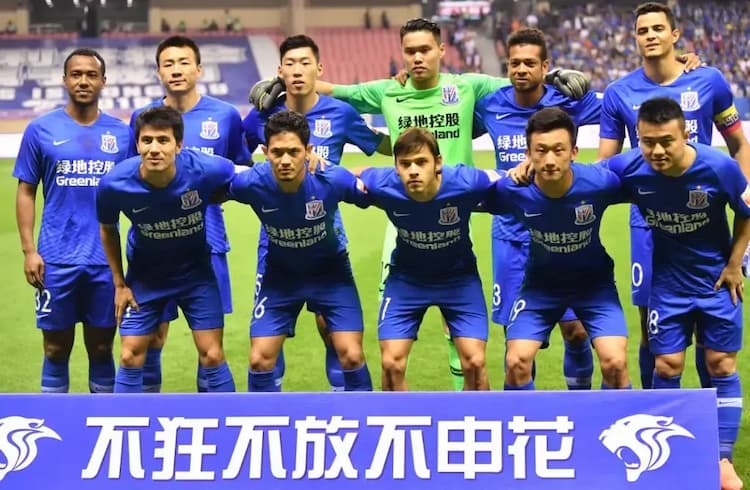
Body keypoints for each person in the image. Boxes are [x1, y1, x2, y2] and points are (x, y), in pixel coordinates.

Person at [249, 17, 590, 391]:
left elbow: (519, 81)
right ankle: (397, 406)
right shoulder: (388, 91)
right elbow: (340, 90)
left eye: (425, 49)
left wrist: (553, 75)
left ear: (442, 50)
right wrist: (281, 86)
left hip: (458, 204)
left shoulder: (467, 86)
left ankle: (466, 406)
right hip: (404, 215)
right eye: (410, 51)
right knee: (393, 338)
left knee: (461, 331)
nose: (417, 57)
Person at [597, 1, 750, 390]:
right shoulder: (618, 92)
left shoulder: (708, 80)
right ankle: (654, 408)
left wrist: (745, 196)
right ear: (634, 38)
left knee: (710, 331)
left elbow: (738, 144)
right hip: (648, 220)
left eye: (657, 28)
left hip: (703, 214)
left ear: (674, 34)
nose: (650, 36)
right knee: (654, 327)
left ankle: (708, 413)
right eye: (642, 30)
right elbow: (604, 166)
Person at [603, 97, 747, 490]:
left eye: (666, 141)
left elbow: (747, 210)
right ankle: (667, 458)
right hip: (667, 284)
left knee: (721, 365)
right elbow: (584, 178)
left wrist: (735, 264)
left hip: (716, 282)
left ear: (685, 134)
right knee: (666, 365)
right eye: (648, 142)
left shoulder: (717, 167)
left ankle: (722, 458)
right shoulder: (630, 167)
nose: (657, 151)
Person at [243, 35, 388, 391]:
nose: (297, 71)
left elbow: (382, 146)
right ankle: (268, 414)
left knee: (332, 331)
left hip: (325, 235)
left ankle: (344, 406)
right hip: (276, 241)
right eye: (290, 64)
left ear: (319, 69)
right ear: (279, 71)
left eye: (305, 63)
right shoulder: (262, 116)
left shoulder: (340, 114)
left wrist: (412, 121)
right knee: (266, 347)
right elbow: (238, 160)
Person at [474, 27, 601, 390]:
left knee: (576, 330)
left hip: (562, 236)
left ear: (546, 66)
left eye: (530, 63)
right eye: (514, 63)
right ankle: (522, 416)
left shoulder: (568, 102)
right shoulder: (491, 105)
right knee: (517, 342)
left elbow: (624, 104)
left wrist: (683, 64)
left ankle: (579, 406)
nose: (521, 69)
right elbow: (445, 110)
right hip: (511, 237)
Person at [130, 35, 250, 392]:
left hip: (207, 243)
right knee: (151, 340)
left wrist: (204, 197)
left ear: (199, 69)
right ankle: (145, 416)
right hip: (153, 248)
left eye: (184, 62)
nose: (176, 70)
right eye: (168, 64)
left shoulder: (225, 116)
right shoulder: (143, 118)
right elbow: (130, 177)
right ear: (158, 73)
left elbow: (239, 173)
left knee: (209, 349)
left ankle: (210, 418)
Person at [14, 48, 135, 394]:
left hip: (105, 262)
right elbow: (26, 191)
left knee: (102, 348)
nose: (83, 81)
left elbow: (137, 191)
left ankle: (104, 422)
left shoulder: (122, 134)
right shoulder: (41, 130)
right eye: (76, 74)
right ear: (65, 80)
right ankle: (54, 423)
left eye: (91, 75)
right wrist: (29, 251)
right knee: (55, 349)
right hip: (55, 260)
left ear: (103, 81)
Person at [487, 107, 631, 391]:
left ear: (574, 152)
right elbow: (462, 191)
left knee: (615, 363)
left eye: (558, 150)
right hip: (540, 287)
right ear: (527, 154)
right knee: (516, 362)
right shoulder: (512, 189)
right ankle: (523, 420)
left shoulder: (599, 183)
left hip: (595, 287)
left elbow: (646, 183)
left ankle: (593, 416)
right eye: (540, 151)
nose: (550, 160)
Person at [229, 110, 373, 392]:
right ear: (265, 152)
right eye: (277, 152)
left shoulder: (331, 179)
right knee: (259, 359)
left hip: (331, 274)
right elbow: (211, 183)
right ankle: (264, 418)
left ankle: (361, 415)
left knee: (352, 355)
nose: (285, 160)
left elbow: (374, 192)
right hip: (280, 277)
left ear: (308, 150)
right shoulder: (250, 183)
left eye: (294, 152)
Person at [96, 106, 236, 394]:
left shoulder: (206, 168)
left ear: (179, 145)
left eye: (163, 140)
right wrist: (119, 284)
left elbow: (243, 177)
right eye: (147, 141)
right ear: (137, 145)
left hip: (196, 275)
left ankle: (227, 418)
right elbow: (108, 228)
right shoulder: (114, 184)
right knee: (129, 354)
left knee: (212, 355)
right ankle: (125, 419)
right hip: (145, 278)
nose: (154, 149)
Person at [357, 127, 498, 391]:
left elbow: (503, 179)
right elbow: (354, 175)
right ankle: (402, 417)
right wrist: (316, 167)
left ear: (438, 163)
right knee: (391, 364)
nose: (413, 170)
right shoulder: (383, 182)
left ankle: (473, 417)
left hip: (459, 280)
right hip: (406, 281)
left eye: (421, 162)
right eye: (405, 164)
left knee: (475, 362)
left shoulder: (466, 181)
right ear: (396, 168)